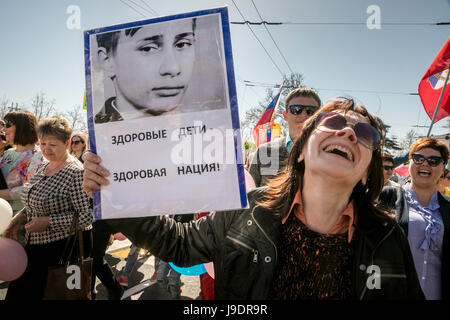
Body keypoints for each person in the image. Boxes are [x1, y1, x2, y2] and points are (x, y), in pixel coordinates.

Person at [82, 98, 424, 300]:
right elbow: (180, 244)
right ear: (302, 150)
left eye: (365, 133)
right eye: (333, 122)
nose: (348, 132)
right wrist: (115, 192)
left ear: (368, 171)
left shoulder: (386, 237)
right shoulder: (251, 210)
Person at [3, 116, 93, 300]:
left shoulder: (76, 172)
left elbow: (86, 217)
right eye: (43, 143)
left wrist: (49, 221)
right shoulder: (43, 165)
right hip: (33, 247)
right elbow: (33, 201)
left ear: (67, 143)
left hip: (60, 252)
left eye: (52, 144)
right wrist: (19, 218)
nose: (46, 149)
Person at [379, 137, 450, 300]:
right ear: (409, 163)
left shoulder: (447, 208)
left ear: (443, 168)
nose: (425, 164)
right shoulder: (387, 197)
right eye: (418, 159)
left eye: (434, 161)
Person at [94, 17, 197, 123]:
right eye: (148, 48)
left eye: (182, 44)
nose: (173, 68)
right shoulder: (100, 133)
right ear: (107, 61)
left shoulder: (201, 127)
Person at [249, 87, 321, 187]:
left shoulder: (327, 154)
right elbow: (248, 195)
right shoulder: (264, 151)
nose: (304, 114)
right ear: (285, 115)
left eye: (311, 111)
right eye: (296, 109)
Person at [0, 112, 43, 215]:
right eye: (4, 125)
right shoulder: (7, 154)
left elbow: (28, 188)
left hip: (19, 218)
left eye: (8, 125)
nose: (3, 129)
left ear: (22, 128)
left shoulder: (38, 155)